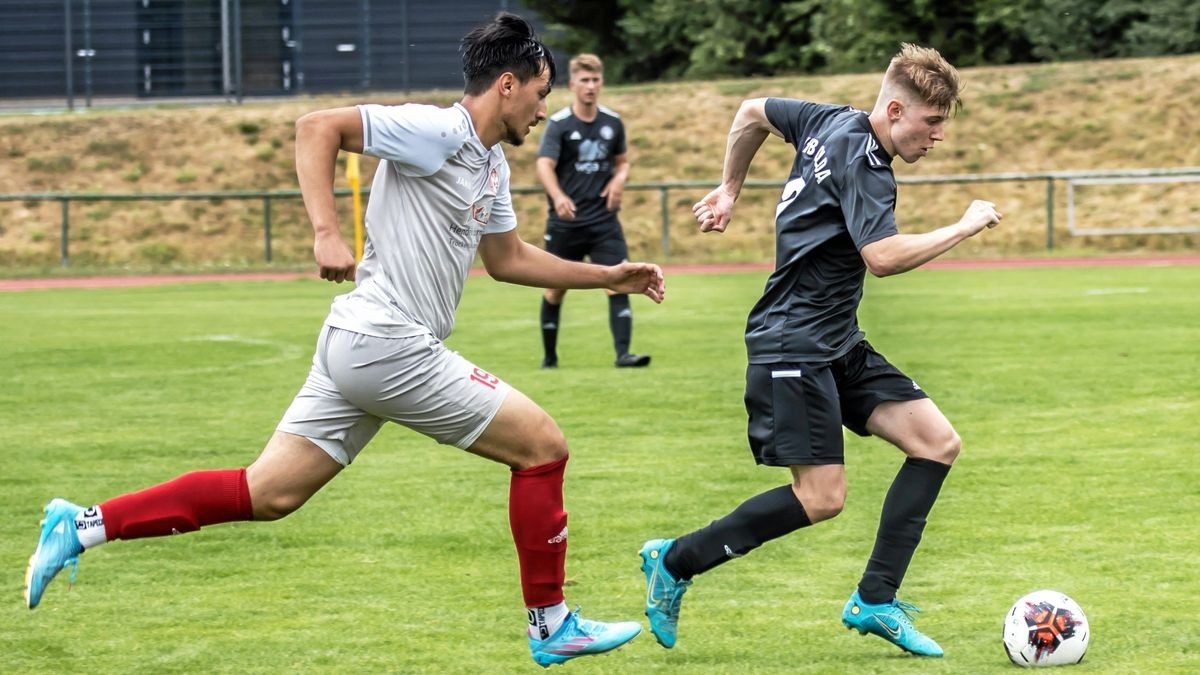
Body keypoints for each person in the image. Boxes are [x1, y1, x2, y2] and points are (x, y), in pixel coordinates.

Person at [24, 13, 662, 668]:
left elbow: (507, 259)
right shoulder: (436, 130)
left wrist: (609, 276)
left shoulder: (490, 165)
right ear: (507, 84)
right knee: (542, 446)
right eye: (541, 92)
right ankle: (550, 622)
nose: (543, 107)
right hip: (387, 340)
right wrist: (327, 231)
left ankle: (80, 526)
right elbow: (317, 127)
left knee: (268, 492)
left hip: (359, 345)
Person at [639, 43, 1002, 657]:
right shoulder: (866, 162)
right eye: (932, 122)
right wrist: (963, 226)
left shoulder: (827, 117)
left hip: (836, 340)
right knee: (821, 498)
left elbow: (752, 111)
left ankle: (876, 601)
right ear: (894, 109)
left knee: (936, 443)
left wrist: (729, 187)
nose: (939, 136)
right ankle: (675, 560)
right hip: (793, 342)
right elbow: (882, 259)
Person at [535, 53, 650, 369]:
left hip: (603, 221)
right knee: (555, 289)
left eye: (595, 80)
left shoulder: (612, 122)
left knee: (619, 280)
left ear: (601, 83)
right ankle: (549, 358)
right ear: (572, 84)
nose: (590, 86)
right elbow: (544, 165)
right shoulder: (559, 124)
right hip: (567, 222)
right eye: (584, 80)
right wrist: (558, 196)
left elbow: (623, 162)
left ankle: (624, 355)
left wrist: (619, 179)